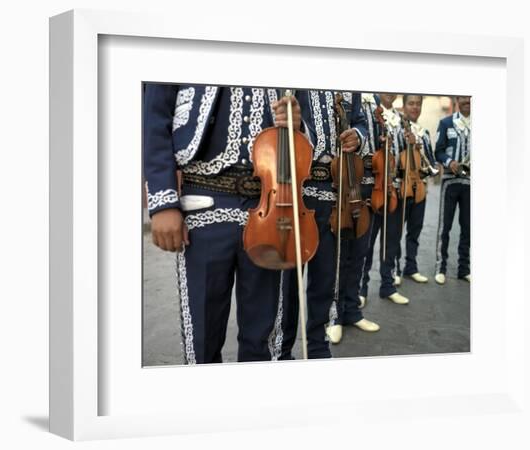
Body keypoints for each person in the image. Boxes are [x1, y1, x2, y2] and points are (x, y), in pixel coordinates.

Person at [143, 84, 304, 364]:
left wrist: (296, 126)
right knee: (202, 337)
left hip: (268, 205)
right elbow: (155, 118)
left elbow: (309, 137)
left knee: (262, 335)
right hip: (204, 203)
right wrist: (163, 201)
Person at [278, 90, 369, 358]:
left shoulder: (350, 86)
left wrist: (358, 135)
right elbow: (280, 119)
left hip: (336, 191)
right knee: (289, 282)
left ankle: (318, 348)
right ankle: (282, 352)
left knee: (325, 277)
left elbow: (360, 121)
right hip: (298, 188)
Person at [325, 92, 381, 344]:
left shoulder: (373, 100)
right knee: (338, 257)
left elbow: (361, 125)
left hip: (365, 181)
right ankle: (334, 316)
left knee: (359, 252)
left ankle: (353, 312)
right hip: (341, 180)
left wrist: (358, 135)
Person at [359, 93, 411, 305]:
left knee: (391, 241)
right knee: (368, 243)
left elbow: (407, 155)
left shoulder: (401, 120)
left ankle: (387, 286)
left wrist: (411, 144)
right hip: (377, 187)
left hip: (396, 188)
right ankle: (360, 289)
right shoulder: (370, 111)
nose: (390, 93)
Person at [394, 95, 439, 283]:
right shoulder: (398, 129)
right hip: (402, 188)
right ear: (404, 106)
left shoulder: (425, 133)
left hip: (420, 188)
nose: (415, 107)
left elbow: (431, 161)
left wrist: (426, 165)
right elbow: (396, 157)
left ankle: (411, 267)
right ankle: (394, 270)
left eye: (418, 104)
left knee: (415, 230)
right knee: (396, 232)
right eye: (411, 104)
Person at [434, 96, 471, 284]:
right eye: (464, 97)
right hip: (450, 180)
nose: (467, 100)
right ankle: (441, 267)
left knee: (469, 227)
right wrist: (450, 162)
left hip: (472, 183)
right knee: (445, 226)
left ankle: (464, 269)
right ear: (457, 99)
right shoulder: (446, 122)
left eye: (470, 97)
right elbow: (438, 150)